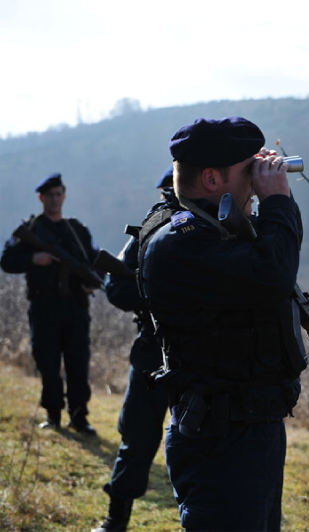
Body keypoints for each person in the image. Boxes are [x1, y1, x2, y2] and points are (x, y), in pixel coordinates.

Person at [140, 117, 306, 530]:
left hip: (250, 427)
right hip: (219, 438)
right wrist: (278, 202)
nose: (258, 177)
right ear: (212, 178)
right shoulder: (180, 242)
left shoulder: (218, 227)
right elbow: (273, 274)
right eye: (247, 169)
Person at [92, 168, 176, 532]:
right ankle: (116, 520)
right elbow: (116, 289)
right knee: (138, 438)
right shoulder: (151, 228)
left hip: (203, 355)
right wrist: (152, 295)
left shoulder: (222, 227)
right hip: (153, 350)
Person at [1, 173, 99, 435]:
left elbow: (92, 263)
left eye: (59, 194)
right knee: (48, 362)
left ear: (64, 196)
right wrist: (34, 258)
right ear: (41, 198)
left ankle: (79, 417)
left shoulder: (77, 230)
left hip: (76, 307)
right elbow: (7, 261)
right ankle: (53, 415)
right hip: (44, 307)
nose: (55, 200)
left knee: (78, 362)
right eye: (50, 195)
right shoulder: (31, 230)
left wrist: (91, 282)